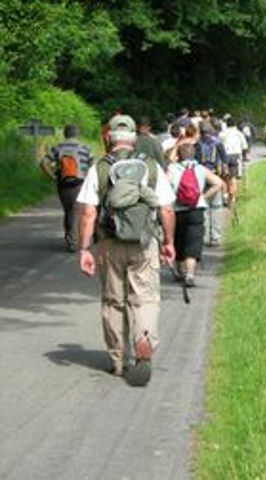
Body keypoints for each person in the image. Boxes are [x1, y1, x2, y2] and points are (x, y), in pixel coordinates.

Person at [77, 114, 176, 385]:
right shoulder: (151, 167)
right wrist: (168, 242)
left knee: (113, 301)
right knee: (144, 298)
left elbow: (88, 212)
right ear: (134, 140)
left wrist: (84, 249)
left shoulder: (100, 168)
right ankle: (143, 339)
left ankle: (118, 360)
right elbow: (166, 209)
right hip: (144, 243)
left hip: (109, 244)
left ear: (109, 138)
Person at [168, 143, 222, 287]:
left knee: (178, 241)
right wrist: (204, 197)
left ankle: (180, 272)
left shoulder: (172, 169)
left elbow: (165, 187)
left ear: (179, 155)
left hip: (177, 210)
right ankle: (190, 275)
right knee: (193, 244)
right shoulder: (201, 169)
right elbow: (218, 183)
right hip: (196, 209)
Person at [40, 124, 93, 252]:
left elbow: (43, 163)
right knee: (76, 211)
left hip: (62, 185)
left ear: (65, 134)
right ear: (77, 134)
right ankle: (74, 242)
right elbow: (92, 166)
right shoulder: (85, 148)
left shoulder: (57, 148)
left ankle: (69, 237)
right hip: (79, 184)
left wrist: (52, 176)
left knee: (68, 211)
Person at [195, 122, 227, 246]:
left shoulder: (197, 144)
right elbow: (224, 161)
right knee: (216, 207)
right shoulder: (218, 143)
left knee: (203, 207)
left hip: (201, 177)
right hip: (215, 176)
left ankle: (204, 236)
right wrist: (225, 177)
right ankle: (215, 237)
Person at [219, 117, 248, 206]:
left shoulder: (222, 134)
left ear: (226, 124)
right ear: (235, 124)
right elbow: (245, 147)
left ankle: (224, 195)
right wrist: (244, 156)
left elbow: (219, 145)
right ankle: (233, 197)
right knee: (233, 177)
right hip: (236, 156)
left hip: (225, 156)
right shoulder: (239, 133)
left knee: (224, 177)